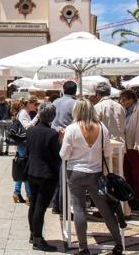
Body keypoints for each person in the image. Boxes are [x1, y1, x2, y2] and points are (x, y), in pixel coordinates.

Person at [60, 99, 123, 255]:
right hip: (95, 173)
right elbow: (108, 152)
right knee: (106, 209)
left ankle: (83, 247)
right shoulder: (102, 128)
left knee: (79, 209)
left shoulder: (72, 128)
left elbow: (64, 154)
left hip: (75, 172)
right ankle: (118, 244)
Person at [25, 103, 60, 252]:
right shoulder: (52, 134)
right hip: (47, 174)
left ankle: (33, 234)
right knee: (41, 207)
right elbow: (57, 155)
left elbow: (28, 150)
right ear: (52, 116)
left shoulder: (31, 130)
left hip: (32, 171)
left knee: (34, 204)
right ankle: (38, 239)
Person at [120, 90, 139, 210]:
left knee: (138, 175)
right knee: (128, 174)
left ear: (130, 99)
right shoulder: (127, 110)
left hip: (135, 147)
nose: (122, 102)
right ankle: (131, 198)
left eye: (124, 99)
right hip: (127, 146)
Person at [50, 80, 77, 214]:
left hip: (54, 139)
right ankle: (62, 205)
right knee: (65, 174)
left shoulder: (55, 102)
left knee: (57, 172)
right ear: (75, 91)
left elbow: (51, 121)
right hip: (67, 140)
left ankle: (55, 203)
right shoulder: (76, 104)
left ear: (63, 89)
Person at [13, 97, 38, 204]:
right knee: (26, 168)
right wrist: (37, 117)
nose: (36, 105)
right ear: (28, 103)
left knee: (21, 168)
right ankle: (29, 196)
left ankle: (16, 192)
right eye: (34, 103)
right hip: (23, 145)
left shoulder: (25, 112)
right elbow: (27, 127)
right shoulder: (23, 113)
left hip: (24, 144)